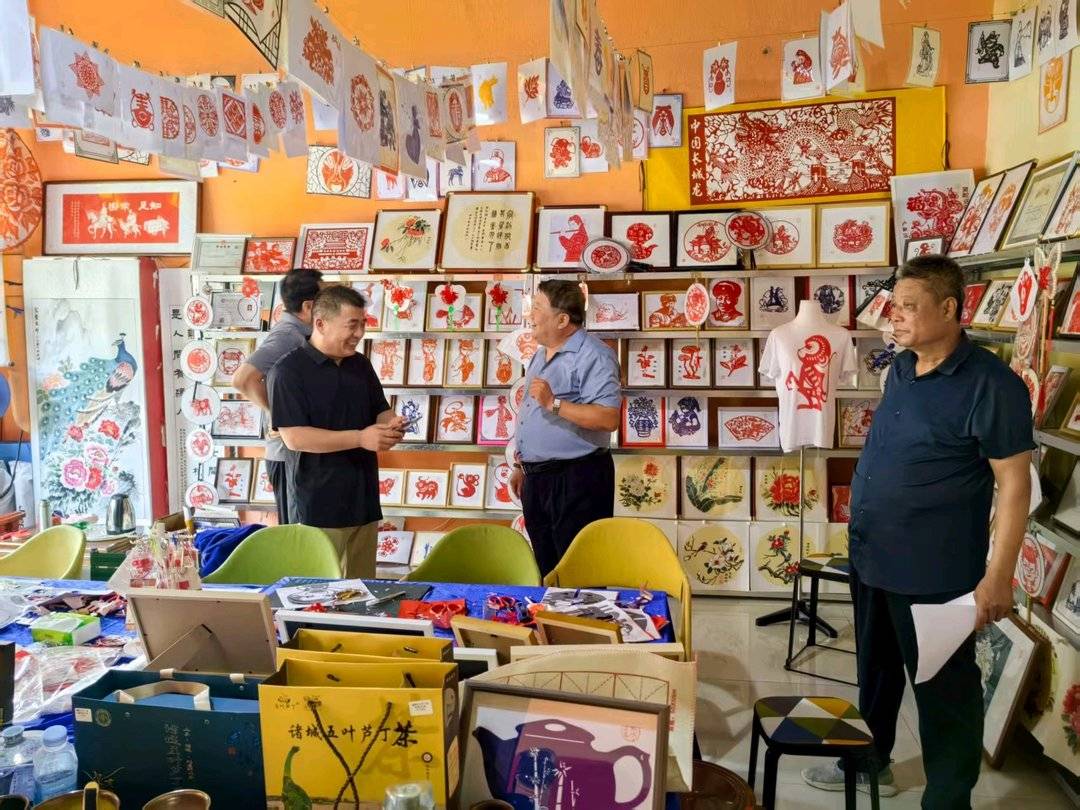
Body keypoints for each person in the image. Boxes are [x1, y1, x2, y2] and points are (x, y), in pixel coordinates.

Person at [802, 255, 1034, 808]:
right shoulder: (902, 368)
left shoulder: (992, 385)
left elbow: (1015, 485)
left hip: (935, 570)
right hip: (873, 556)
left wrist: (998, 575)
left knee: (943, 690)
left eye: (909, 306)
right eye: (894, 305)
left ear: (949, 309)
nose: (895, 316)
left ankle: (948, 800)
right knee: (876, 672)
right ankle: (871, 761)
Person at [268, 285, 406, 577]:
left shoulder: (360, 365)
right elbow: (295, 438)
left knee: (363, 588)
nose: (359, 333)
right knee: (321, 591)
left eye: (363, 324)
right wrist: (361, 438)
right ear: (320, 323)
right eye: (352, 325)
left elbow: (380, 410)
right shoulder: (288, 371)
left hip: (364, 501)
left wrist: (392, 426)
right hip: (319, 506)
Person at [511, 280, 621, 576]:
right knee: (547, 569)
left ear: (562, 320)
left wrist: (554, 403)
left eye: (537, 308)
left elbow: (608, 418)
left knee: (581, 572)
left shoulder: (595, 355)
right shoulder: (540, 354)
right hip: (537, 479)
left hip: (577, 478)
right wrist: (521, 465)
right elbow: (531, 412)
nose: (529, 315)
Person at [233, 268, 323, 524]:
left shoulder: (301, 334)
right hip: (286, 456)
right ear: (308, 306)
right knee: (297, 530)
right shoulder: (288, 335)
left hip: (299, 452)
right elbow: (242, 379)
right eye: (325, 300)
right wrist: (279, 417)